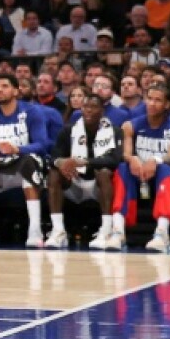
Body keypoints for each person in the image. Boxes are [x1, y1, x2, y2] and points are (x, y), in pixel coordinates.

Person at [104, 83, 170, 252]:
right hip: (138, 176)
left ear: (167, 104)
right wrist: (132, 158)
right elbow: (126, 153)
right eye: (149, 98)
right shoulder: (130, 125)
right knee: (123, 167)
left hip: (162, 177)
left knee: (166, 168)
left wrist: (155, 160)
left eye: (157, 100)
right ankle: (118, 231)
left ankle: (162, 233)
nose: (151, 103)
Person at [0, 73, 50, 248]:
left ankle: (35, 230)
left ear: (15, 91)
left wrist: (18, 149)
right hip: (2, 168)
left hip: (24, 167)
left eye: (5, 86)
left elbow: (42, 145)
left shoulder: (31, 111)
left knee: (29, 161)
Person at [46, 94, 120, 249]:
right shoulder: (69, 130)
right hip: (74, 181)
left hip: (99, 186)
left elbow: (115, 159)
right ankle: (58, 231)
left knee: (103, 172)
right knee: (54, 173)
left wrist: (86, 162)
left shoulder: (114, 131)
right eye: (86, 107)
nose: (89, 110)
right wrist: (62, 163)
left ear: (102, 110)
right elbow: (53, 157)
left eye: (93, 107)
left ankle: (106, 230)